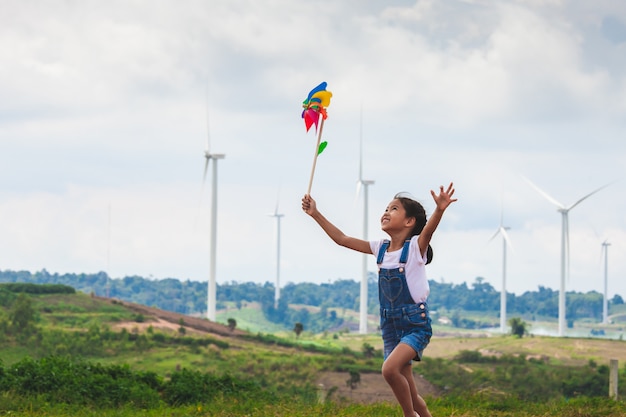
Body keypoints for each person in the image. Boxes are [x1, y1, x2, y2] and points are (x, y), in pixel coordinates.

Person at [301, 183, 457, 417]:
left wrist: (440, 210)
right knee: (413, 396)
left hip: (415, 326)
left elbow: (429, 231)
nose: (386, 212)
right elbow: (342, 239)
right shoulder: (379, 248)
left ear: (409, 221)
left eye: (393, 209)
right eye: (386, 208)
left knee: (389, 370)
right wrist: (315, 213)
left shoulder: (415, 248)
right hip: (390, 328)